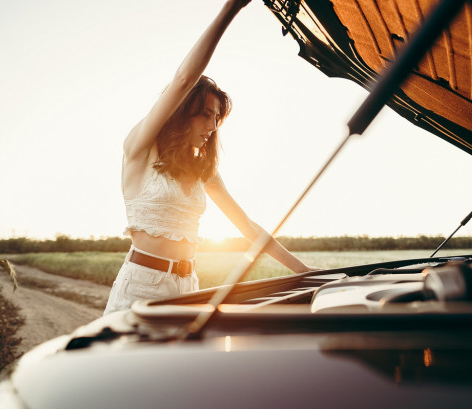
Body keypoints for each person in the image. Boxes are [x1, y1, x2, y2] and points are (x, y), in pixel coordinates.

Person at [104, 0, 316, 315]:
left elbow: (248, 227)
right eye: (205, 114)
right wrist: (231, 9)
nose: (212, 126)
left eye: (216, 118)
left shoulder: (203, 169)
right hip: (140, 288)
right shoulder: (139, 149)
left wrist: (307, 273)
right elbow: (183, 80)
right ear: (181, 112)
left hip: (189, 288)